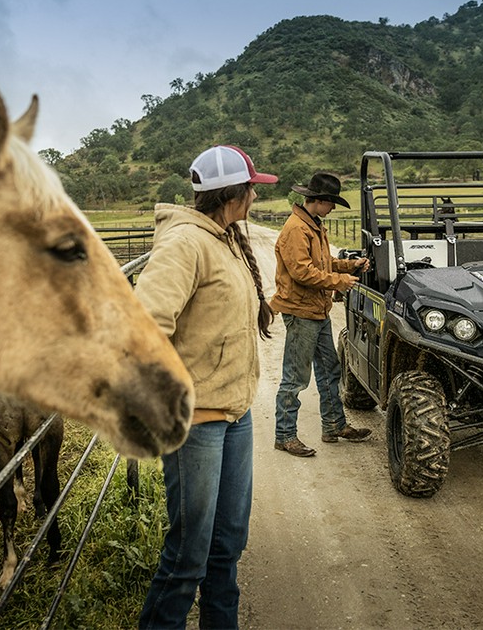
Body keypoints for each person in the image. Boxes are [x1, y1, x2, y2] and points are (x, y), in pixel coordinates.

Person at [135, 145, 277, 629]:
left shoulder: (224, 237)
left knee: (227, 547)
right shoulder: (185, 244)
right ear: (237, 195)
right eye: (254, 188)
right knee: (188, 556)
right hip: (197, 423)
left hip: (234, 417)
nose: (256, 197)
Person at [270, 172, 372, 457]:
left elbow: (323, 263)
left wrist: (347, 266)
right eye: (331, 203)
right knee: (295, 377)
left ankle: (334, 426)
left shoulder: (312, 225)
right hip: (302, 311)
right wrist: (340, 282)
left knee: (330, 368)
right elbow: (302, 272)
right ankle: (285, 435)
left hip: (316, 309)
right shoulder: (296, 230)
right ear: (319, 201)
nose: (333, 209)